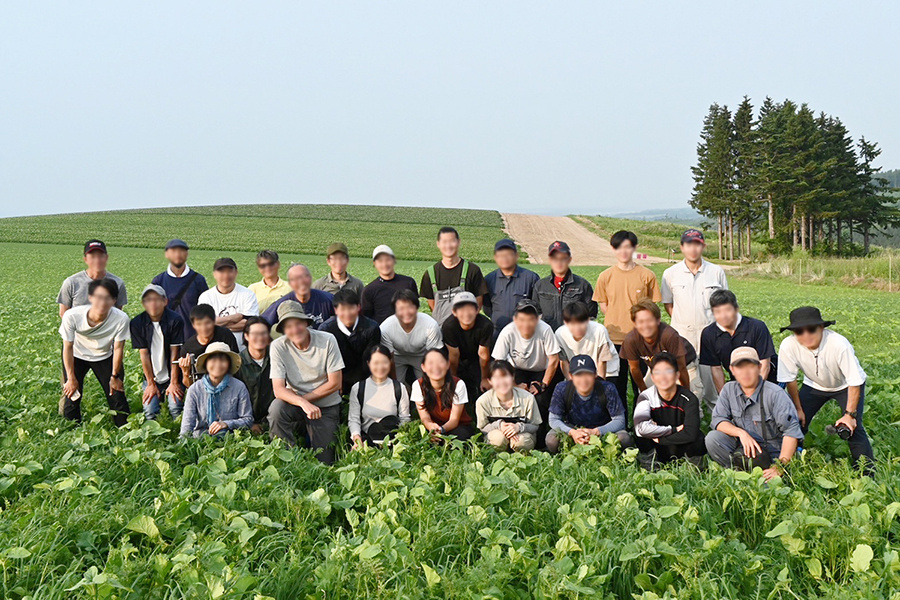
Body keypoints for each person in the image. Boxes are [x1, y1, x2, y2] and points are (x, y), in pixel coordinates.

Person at [777, 306, 874, 472]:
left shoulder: (839, 344)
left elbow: (854, 381)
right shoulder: (788, 345)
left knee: (853, 428)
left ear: (821, 327)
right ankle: (790, 464)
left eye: (811, 329)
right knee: (795, 422)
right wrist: (798, 409)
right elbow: (790, 380)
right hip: (814, 385)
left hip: (845, 386)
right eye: (799, 331)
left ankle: (867, 474)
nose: (806, 335)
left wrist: (849, 415)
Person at [707, 348, 803, 481]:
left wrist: (780, 467)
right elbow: (718, 420)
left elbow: (791, 433)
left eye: (750, 366)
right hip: (745, 447)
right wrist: (741, 433)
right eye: (740, 367)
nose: (745, 372)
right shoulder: (728, 389)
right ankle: (736, 473)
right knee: (713, 438)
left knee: (771, 486)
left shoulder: (775, 394)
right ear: (732, 370)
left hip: (774, 450)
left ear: (759, 367)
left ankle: (771, 473)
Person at [267, 301, 345, 464]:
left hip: (325, 405)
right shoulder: (278, 347)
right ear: (283, 330)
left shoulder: (327, 340)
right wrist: (302, 403)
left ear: (306, 322)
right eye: (288, 327)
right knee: (276, 408)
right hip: (296, 403)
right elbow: (279, 390)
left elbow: (335, 383)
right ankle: (288, 458)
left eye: (298, 323)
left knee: (324, 460)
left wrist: (306, 401)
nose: (294, 330)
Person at [592, 230, 662, 407]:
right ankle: (621, 425)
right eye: (619, 247)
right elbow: (604, 306)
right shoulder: (605, 276)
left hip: (642, 341)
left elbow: (653, 309)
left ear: (634, 248)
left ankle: (643, 427)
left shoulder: (647, 275)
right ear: (613, 249)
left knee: (644, 385)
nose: (623, 251)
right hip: (614, 340)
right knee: (616, 386)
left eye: (627, 247)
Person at [661, 229, 728, 411]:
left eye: (697, 244)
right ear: (682, 247)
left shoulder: (716, 272)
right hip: (682, 337)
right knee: (685, 384)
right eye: (689, 244)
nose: (693, 249)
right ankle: (690, 422)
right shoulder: (670, 274)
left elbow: (723, 304)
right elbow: (669, 304)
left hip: (710, 337)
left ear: (703, 246)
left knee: (712, 387)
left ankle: (719, 424)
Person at [59, 278, 131, 427]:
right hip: (77, 355)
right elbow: (68, 347)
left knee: (116, 395)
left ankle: (125, 430)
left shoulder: (121, 319)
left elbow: (118, 349)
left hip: (105, 355)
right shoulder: (72, 316)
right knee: (72, 397)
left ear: (114, 300)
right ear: (90, 297)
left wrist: (115, 376)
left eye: (108, 298)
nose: (103, 302)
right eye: (98, 297)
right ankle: (72, 430)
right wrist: (71, 378)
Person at [491, 299, 562, 445]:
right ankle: (513, 432)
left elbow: (554, 359)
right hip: (517, 370)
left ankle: (541, 440)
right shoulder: (508, 331)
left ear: (537, 319)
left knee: (540, 399)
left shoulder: (545, 330)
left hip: (542, 369)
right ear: (515, 319)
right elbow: (499, 362)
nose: (526, 324)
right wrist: (514, 385)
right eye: (522, 319)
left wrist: (543, 384)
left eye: (531, 319)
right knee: (515, 396)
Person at [545, 355, 632, 453]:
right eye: (578, 375)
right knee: (551, 440)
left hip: (603, 429)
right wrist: (572, 432)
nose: (583, 380)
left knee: (624, 438)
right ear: (571, 376)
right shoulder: (561, 388)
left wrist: (596, 432)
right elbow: (553, 419)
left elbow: (620, 420)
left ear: (595, 374)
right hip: (573, 428)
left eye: (588, 374)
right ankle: (567, 454)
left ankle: (608, 453)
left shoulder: (608, 388)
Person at [699, 290, 778, 399]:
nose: (723, 316)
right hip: (738, 378)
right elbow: (716, 368)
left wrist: (754, 393)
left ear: (736, 309)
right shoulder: (709, 334)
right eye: (718, 312)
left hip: (768, 378)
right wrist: (725, 398)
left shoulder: (757, 327)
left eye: (727, 310)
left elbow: (764, 363)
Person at [633, 352, 705, 469]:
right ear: (652, 377)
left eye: (668, 371)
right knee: (641, 437)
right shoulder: (645, 396)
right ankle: (650, 470)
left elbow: (690, 433)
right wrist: (674, 429)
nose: (663, 377)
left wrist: (659, 437)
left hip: (680, 446)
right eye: (657, 372)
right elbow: (640, 429)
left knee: (697, 438)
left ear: (677, 375)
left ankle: (695, 471)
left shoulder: (689, 398)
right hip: (659, 448)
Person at [619, 299, 699, 400]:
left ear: (658, 320)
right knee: (649, 395)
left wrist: (687, 395)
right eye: (641, 322)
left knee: (692, 396)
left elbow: (681, 367)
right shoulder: (631, 340)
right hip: (656, 368)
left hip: (685, 365)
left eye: (649, 320)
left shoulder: (669, 335)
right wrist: (644, 391)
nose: (646, 326)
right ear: (634, 323)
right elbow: (634, 368)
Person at [130, 284, 185, 420]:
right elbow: (144, 354)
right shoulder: (137, 323)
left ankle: (180, 436)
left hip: (172, 374)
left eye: (156, 299)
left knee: (175, 407)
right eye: (148, 300)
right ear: (143, 303)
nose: (152, 303)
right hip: (152, 376)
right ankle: (153, 438)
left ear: (165, 301)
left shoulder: (175, 320)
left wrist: (173, 382)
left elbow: (175, 352)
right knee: (150, 410)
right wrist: (150, 384)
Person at [179, 342, 253, 438]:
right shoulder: (195, 389)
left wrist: (226, 424)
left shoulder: (239, 387)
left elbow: (248, 420)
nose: (218, 364)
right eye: (213, 359)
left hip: (230, 441)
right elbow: (187, 425)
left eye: (222, 360)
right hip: (200, 441)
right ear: (206, 364)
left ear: (229, 364)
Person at [419, 227, 488, 325]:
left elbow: (478, 302)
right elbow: (432, 305)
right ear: (438, 244)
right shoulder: (430, 273)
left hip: (465, 331)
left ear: (459, 242)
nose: (448, 245)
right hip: (440, 331)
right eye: (444, 242)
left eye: (452, 241)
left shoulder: (472, 270)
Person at [318, 289, 382, 394]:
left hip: (363, 376)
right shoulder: (326, 329)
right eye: (342, 309)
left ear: (358, 307)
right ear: (336, 310)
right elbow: (324, 362)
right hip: (335, 378)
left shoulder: (372, 327)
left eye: (351, 308)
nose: (347, 313)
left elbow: (370, 359)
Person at [441, 291, 494, 415]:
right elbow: (453, 356)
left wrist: (484, 378)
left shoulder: (485, 325)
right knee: (454, 385)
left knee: (483, 386)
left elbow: (483, 355)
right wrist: (452, 379)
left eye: (470, 309)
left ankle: (483, 413)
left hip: (477, 357)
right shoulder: (449, 326)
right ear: (454, 312)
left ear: (477, 310)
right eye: (461, 309)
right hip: (456, 358)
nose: (466, 313)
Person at [349, 344, 410, 448]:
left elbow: (405, 419)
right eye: (376, 363)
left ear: (390, 362)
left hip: (393, 444)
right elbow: (354, 419)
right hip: (366, 443)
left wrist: (400, 440)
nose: (380, 367)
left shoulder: (399, 388)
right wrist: (356, 437)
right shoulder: (358, 388)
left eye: (384, 362)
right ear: (368, 363)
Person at [379, 289, 443, 385]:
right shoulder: (385, 328)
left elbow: (432, 355)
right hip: (397, 356)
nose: (406, 312)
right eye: (401, 309)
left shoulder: (430, 325)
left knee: (427, 384)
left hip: (421, 354)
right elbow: (389, 357)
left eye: (410, 307)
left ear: (417, 308)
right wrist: (396, 384)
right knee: (393, 384)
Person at [412, 347, 478, 441]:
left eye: (440, 362)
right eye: (430, 363)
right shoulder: (418, 385)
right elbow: (424, 416)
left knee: (460, 436)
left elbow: (454, 420)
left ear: (447, 364)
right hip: (432, 426)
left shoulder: (458, 384)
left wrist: (441, 430)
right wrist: (431, 427)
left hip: (456, 426)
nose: (436, 367)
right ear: (423, 367)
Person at [475, 360, 542, 452]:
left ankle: (523, 460)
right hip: (496, 433)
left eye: (505, 376)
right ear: (490, 381)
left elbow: (535, 425)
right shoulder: (483, 401)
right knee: (498, 439)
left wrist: (519, 427)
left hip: (523, 434)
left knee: (521, 441)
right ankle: (496, 459)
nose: (502, 382)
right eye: (497, 378)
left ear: (513, 377)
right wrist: (500, 426)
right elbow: (482, 427)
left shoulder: (528, 398)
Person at [531, 241, 597, 331]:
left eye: (563, 258)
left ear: (569, 259)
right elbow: (535, 314)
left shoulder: (582, 285)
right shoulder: (540, 286)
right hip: (548, 339)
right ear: (550, 260)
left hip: (573, 339)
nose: (559, 262)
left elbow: (591, 315)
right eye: (555, 259)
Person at [198, 257, 260, 351]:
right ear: (214, 274)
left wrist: (216, 324)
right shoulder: (206, 297)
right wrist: (235, 317)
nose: (226, 275)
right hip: (213, 353)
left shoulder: (247, 294)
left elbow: (250, 324)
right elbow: (203, 326)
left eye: (229, 271)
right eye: (221, 271)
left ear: (236, 273)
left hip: (243, 350)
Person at [152, 239, 208, 340]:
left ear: (187, 254)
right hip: (166, 338)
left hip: (193, 339)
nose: (178, 254)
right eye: (173, 251)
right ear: (166, 254)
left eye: (181, 251)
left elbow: (205, 312)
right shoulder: (158, 281)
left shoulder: (198, 280)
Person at [483, 238, 540, 338]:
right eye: (501, 255)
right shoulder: (489, 279)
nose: (504, 258)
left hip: (523, 334)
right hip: (497, 333)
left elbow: (537, 306)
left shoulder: (530, 278)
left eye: (508, 254)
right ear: (495, 257)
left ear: (516, 256)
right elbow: (487, 308)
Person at [58, 239, 128, 316]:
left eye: (101, 256)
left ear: (106, 258)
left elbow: (117, 313)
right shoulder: (72, 282)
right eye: (92, 256)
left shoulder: (117, 283)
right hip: (78, 327)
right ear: (85, 259)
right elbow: (64, 314)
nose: (97, 260)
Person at [178, 304, 240, 388]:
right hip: (202, 389)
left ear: (214, 321)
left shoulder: (225, 335)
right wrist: (185, 372)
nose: (204, 328)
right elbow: (190, 386)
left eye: (207, 323)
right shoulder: (187, 348)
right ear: (193, 325)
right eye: (199, 324)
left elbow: (236, 366)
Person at [555, 301, 617, 381]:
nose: (577, 328)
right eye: (572, 324)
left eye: (581, 323)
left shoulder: (599, 331)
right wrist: (571, 383)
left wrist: (600, 385)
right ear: (565, 323)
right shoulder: (560, 334)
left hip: (607, 370)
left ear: (588, 320)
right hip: (577, 370)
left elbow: (602, 362)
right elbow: (564, 362)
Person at [261, 263, 335, 329]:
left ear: (310, 279)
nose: (301, 281)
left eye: (304, 276)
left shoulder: (327, 299)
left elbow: (344, 317)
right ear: (290, 283)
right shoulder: (283, 304)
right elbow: (261, 324)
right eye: (295, 278)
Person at [361, 245, 419, 325]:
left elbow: (415, 308)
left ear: (394, 260)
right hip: (382, 334)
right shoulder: (369, 290)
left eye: (388, 260)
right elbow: (366, 318)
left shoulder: (408, 282)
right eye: (380, 261)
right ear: (374, 264)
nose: (384, 264)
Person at [235, 316, 274, 434]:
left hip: (274, 419)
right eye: (255, 334)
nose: (260, 338)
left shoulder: (277, 358)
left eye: (264, 333)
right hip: (245, 423)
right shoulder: (237, 363)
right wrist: (250, 423)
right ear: (246, 336)